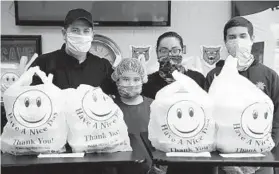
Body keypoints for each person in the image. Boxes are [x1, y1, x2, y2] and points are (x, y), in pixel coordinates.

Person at [205, 16, 279, 174]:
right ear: (225, 42)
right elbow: (207, 120)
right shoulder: (214, 76)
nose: (237, 41)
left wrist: (265, 152)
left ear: (252, 39)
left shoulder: (270, 75)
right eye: (232, 37)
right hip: (224, 160)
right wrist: (224, 161)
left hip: (262, 159)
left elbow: (277, 116)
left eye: (242, 36)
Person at [30, 8, 117, 96]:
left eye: (86, 31)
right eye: (75, 30)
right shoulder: (43, 63)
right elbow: (27, 98)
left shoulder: (103, 67)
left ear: (92, 35)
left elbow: (120, 96)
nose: (81, 35)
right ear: (64, 33)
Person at [111, 58, 165, 174]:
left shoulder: (154, 107)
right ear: (117, 80)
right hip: (119, 169)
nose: (131, 84)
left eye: (136, 79)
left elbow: (163, 142)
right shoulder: (111, 109)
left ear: (143, 80)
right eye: (125, 79)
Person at [142, 31, 205, 99]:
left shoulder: (198, 79)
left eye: (175, 51)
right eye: (164, 51)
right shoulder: (147, 84)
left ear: (182, 51)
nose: (169, 55)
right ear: (157, 52)